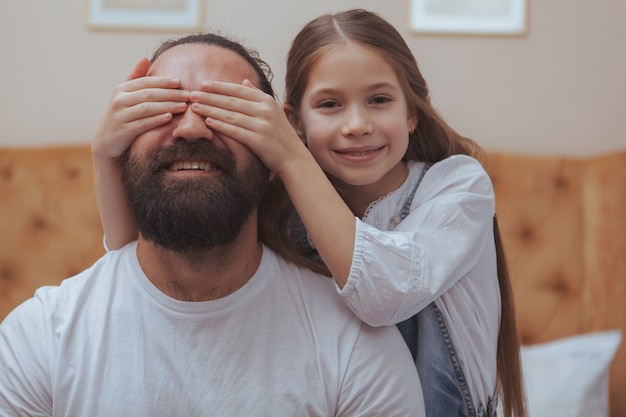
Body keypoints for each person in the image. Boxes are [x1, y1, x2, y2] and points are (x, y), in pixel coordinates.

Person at [88, 9, 526, 417]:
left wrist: (291, 155)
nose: (357, 124)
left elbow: (386, 294)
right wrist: (104, 153)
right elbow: (139, 258)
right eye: (330, 105)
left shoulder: (458, 186)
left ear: (411, 112)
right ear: (295, 120)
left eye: (379, 100)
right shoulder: (284, 204)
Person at [0, 33, 426, 417]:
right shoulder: (38, 338)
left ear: (275, 145)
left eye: (225, 110)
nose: (190, 128)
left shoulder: (355, 347)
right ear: (121, 146)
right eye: (164, 108)